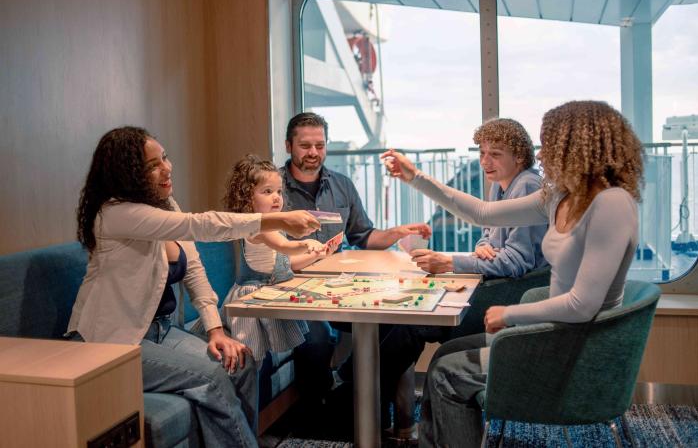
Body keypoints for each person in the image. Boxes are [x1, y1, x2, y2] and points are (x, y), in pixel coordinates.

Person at [382, 101, 644, 447]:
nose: (542, 153)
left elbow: (582, 305)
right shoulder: (560, 197)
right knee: (446, 356)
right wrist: (416, 177)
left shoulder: (611, 204)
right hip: (551, 332)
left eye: (550, 144)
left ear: (578, 148)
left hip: (574, 348)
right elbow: (483, 213)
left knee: (448, 374)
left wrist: (510, 312)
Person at [67, 126, 320, 447]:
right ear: (127, 173)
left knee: (240, 363)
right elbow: (200, 224)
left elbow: (194, 268)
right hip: (115, 343)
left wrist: (216, 330)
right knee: (213, 377)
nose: (167, 167)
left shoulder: (165, 204)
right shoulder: (115, 214)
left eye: (165, 158)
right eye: (152, 165)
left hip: (159, 332)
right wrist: (278, 220)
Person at [281, 111, 430, 436]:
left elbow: (364, 236)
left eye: (319, 145)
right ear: (289, 145)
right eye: (305, 145)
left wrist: (395, 233)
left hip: (340, 285)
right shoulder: (274, 189)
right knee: (315, 341)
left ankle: (386, 415)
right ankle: (323, 420)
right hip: (294, 287)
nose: (313, 152)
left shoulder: (341, 185)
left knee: (394, 325)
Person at [192, 155, 327, 365]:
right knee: (256, 355)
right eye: (267, 192)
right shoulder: (258, 227)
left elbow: (286, 262)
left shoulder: (273, 227)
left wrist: (318, 253)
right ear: (247, 198)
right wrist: (307, 242)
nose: (276, 198)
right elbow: (286, 247)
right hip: (253, 298)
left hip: (271, 293)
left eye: (279, 191)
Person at [410, 118, 547, 279]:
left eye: (495, 154)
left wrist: (449, 263)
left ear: (519, 157)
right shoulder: (499, 183)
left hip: (518, 288)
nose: (484, 162)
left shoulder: (527, 185)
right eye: (482, 153)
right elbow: (488, 232)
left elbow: (518, 262)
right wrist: (484, 247)